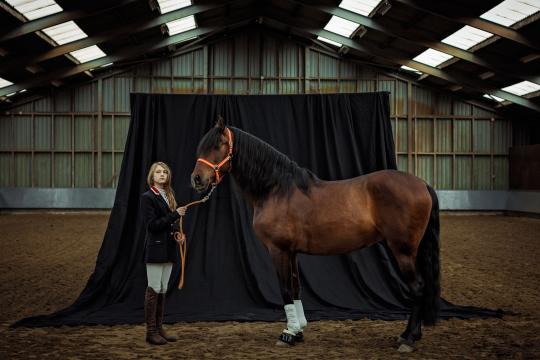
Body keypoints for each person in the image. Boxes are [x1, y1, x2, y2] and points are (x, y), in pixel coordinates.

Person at [140, 161, 187, 345]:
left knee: (163, 288)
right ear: (152, 176)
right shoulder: (148, 197)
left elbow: (167, 224)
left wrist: (177, 233)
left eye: (164, 172)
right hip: (155, 248)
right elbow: (152, 225)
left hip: (168, 248)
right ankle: (150, 332)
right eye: (158, 172)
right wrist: (175, 214)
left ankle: (159, 329)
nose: (161, 175)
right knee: (153, 288)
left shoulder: (169, 195)